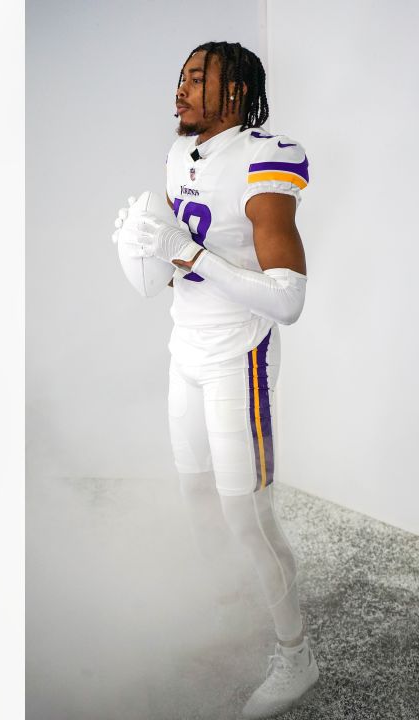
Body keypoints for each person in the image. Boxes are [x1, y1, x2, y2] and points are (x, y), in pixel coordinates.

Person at [110, 41, 318, 720]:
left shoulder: (266, 157)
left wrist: (187, 249)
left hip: (239, 357)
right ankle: (233, 612)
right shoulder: (180, 153)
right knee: (195, 495)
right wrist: (140, 255)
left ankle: (296, 656)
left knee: (245, 515)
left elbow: (287, 298)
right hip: (186, 348)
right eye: (180, 76)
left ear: (235, 91)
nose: (181, 88)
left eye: (198, 78)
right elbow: (168, 272)